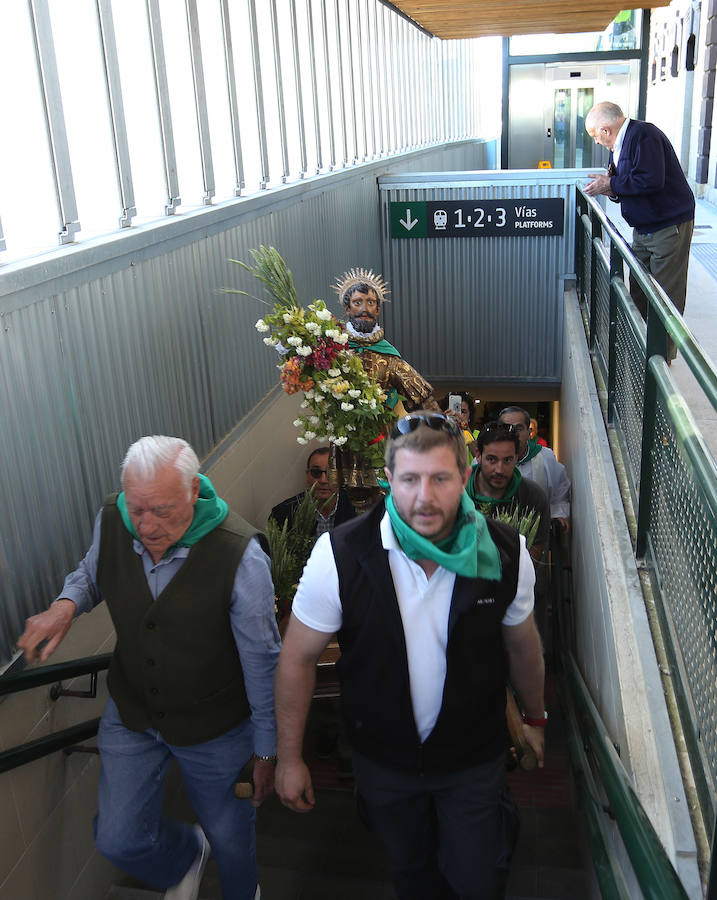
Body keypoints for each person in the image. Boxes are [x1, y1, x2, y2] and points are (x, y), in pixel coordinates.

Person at [274, 412, 546, 900]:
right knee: (411, 876)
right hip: (385, 765)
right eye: (410, 480)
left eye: (440, 478)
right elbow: (296, 657)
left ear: (465, 477)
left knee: (477, 880)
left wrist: (535, 718)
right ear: (388, 481)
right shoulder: (339, 555)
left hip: (472, 763)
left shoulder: (506, 552)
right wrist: (290, 757)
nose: (424, 497)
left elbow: (521, 643)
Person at [17, 436, 279, 900]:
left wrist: (265, 749)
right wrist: (65, 605)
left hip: (216, 725)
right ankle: (185, 853)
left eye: (161, 510)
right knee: (117, 837)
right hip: (134, 713)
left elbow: (262, 662)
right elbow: (92, 572)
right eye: (136, 509)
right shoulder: (112, 518)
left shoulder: (240, 556)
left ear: (194, 492)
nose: (146, 525)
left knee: (232, 838)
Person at [584, 101, 695, 359]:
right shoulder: (621, 143)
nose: (597, 142)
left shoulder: (644, 135)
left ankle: (661, 360)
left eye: (595, 136)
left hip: (668, 226)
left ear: (605, 129)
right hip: (644, 228)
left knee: (666, 295)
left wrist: (611, 183)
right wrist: (610, 188)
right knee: (639, 288)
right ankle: (641, 349)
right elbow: (629, 184)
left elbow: (649, 180)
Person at [334, 267, 440, 414]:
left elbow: (422, 398)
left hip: (383, 432)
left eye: (370, 303)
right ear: (347, 308)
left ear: (377, 310)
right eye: (357, 302)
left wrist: (443, 426)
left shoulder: (389, 356)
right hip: (342, 432)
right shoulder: (334, 349)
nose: (364, 309)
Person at [466, 422, 550, 565]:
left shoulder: (534, 497)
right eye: (491, 459)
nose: (499, 469)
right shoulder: (453, 494)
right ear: (478, 456)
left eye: (507, 460)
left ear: (516, 458)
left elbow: (535, 556)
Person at [498, 406, 570, 531]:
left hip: (535, 534)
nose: (512, 433)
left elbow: (560, 492)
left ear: (528, 432)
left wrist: (558, 515)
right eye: (506, 428)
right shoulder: (486, 458)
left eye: (518, 428)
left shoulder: (545, 457)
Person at [269, 447, 356, 536]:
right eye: (316, 472)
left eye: (331, 473)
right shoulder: (283, 514)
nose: (323, 480)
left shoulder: (356, 509)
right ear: (308, 476)